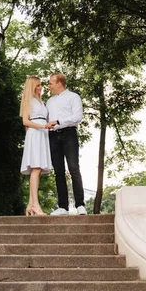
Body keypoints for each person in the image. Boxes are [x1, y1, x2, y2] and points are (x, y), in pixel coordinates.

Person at [45, 73, 86, 215]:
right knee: (58, 172)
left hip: (69, 134)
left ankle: (80, 204)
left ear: (59, 83)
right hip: (53, 136)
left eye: (51, 82)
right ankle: (63, 207)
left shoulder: (73, 97)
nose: (49, 85)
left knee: (74, 168)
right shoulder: (49, 101)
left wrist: (58, 122)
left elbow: (77, 117)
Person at [20, 75, 52, 216]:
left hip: (42, 133)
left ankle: (30, 205)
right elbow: (25, 122)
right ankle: (35, 205)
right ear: (32, 86)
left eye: (41, 85)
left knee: (37, 169)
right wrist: (43, 126)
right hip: (36, 133)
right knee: (36, 168)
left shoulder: (40, 101)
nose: (40, 87)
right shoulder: (29, 100)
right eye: (38, 85)